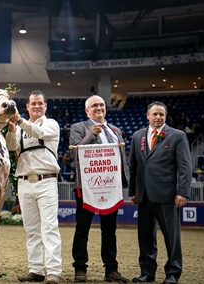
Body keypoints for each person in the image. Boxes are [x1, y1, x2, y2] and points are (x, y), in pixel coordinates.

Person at [128, 101, 191, 284]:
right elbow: (133, 166)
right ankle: (147, 272)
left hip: (168, 195)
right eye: (154, 114)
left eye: (161, 115)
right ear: (147, 116)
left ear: (165, 116)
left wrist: (183, 192)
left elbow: (185, 166)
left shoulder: (177, 136)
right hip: (144, 195)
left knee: (172, 237)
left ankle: (172, 273)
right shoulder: (137, 136)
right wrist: (132, 191)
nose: (158, 118)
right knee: (145, 236)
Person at [69, 95, 129, 283]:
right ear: (87, 111)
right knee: (82, 229)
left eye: (102, 105)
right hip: (87, 188)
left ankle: (111, 270)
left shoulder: (115, 130)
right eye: (94, 105)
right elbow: (74, 152)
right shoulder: (79, 128)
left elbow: (121, 157)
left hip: (110, 188)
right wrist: (91, 135)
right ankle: (80, 269)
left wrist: (123, 181)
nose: (99, 108)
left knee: (110, 229)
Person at [6, 90, 62, 284]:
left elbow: (38, 132)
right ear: (27, 106)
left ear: (45, 106)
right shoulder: (21, 127)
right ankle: (36, 269)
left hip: (46, 180)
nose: (37, 106)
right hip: (24, 181)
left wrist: (20, 121)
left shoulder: (51, 124)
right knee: (31, 229)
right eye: (33, 103)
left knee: (49, 227)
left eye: (40, 103)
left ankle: (53, 271)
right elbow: (12, 147)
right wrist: (12, 130)